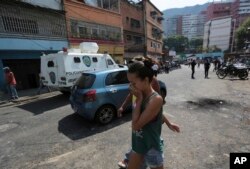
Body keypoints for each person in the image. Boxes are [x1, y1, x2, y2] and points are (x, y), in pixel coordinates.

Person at [118, 60, 179, 169]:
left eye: (133, 83)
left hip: (151, 147)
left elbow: (136, 126)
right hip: (138, 143)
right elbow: (154, 113)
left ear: (145, 80)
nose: (130, 86)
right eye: (129, 83)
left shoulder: (155, 99)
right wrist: (169, 124)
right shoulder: (137, 93)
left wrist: (139, 99)